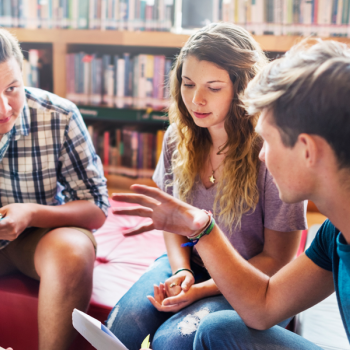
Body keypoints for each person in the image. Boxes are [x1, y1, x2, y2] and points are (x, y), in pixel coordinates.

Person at [112, 38, 350, 349]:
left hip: (240, 272)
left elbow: (275, 265)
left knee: (177, 339)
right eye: (188, 83)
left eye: (267, 140)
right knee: (212, 329)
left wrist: (200, 241)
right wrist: (199, 231)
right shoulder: (333, 234)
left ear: (307, 150)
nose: (262, 155)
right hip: (210, 272)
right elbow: (265, 305)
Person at [0, 29, 109, 350]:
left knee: (72, 253)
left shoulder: (58, 115)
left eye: (12, 88)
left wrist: (31, 213)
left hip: (38, 235)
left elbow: (96, 209)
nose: (4, 109)